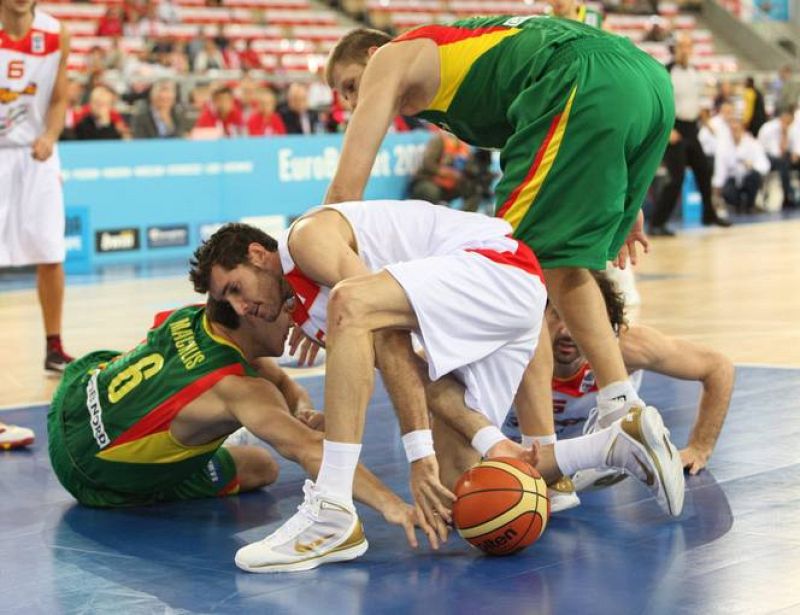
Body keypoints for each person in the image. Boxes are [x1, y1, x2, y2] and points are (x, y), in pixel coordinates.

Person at [190, 201, 685, 573]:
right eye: (226, 303)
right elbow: (413, 372)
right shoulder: (319, 310)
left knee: (353, 302)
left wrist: (417, 454)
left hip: (494, 265)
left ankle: (331, 507)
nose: (239, 306)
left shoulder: (305, 237)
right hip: (504, 306)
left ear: (258, 254)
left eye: (235, 287)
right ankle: (615, 444)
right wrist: (485, 440)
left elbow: (377, 320)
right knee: (467, 491)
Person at [322, 17, 674, 515]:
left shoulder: (392, 58)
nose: (352, 104)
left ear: (375, 52)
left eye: (350, 86)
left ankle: (580, 443)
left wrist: (306, 273)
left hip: (582, 79)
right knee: (556, 268)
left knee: (517, 274)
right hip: (646, 84)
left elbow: (343, 199)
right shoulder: (462, 70)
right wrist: (624, 197)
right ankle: (619, 405)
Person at [47, 298, 423, 551]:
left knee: (169, 370)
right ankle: (216, 426)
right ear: (251, 311)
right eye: (285, 307)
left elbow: (278, 380)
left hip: (75, 394)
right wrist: (394, 506)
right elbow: (310, 450)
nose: (295, 316)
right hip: (92, 476)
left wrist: (301, 409)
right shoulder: (243, 392)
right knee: (262, 466)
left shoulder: (197, 316)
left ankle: (211, 423)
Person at [504, 271, 734, 487]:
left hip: (583, 472)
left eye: (576, 320)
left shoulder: (627, 347)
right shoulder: (510, 352)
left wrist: (699, 448)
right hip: (507, 464)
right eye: (557, 315)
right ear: (539, 314)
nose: (566, 331)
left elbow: (718, 367)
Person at [0, 0, 73, 372]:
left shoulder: (56, 32)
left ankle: (54, 347)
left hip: (35, 153)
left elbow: (59, 98)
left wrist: (51, 133)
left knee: (50, 252)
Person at [650, 34, 731, 236]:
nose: (685, 50)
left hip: (692, 128)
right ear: (675, 49)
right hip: (675, 129)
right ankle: (657, 224)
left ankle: (709, 215)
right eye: (681, 47)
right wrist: (668, 130)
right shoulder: (666, 71)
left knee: (704, 170)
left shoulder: (695, 72)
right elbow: (659, 103)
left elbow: (698, 102)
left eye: (688, 46)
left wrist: (707, 123)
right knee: (676, 178)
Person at [408, 131, 484, 212]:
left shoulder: (464, 144)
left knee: (475, 189)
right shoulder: (439, 140)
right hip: (430, 180)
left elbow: (469, 167)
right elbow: (427, 163)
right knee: (430, 191)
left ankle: (464, 218)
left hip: (452, 184)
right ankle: (426, 216)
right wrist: (447, 173)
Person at [714, 117, 770, 214]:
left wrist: (752, 165)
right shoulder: (723, 146)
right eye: (732, 129)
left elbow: (765, 166)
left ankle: (750, 205)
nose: (734, 131)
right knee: (727, 190)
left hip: (748, 178)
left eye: (737, 128)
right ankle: (737, 205)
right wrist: (716, 192)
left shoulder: (753, 143)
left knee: (754, 177)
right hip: (732, 179)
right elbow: (720, 171)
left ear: (742, 128)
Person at [757, 106, 798, 209]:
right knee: (783, 163)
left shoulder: (792, 128)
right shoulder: (768, 128)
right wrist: (784, 135)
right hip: (766, 157)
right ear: (782, 118)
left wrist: (795, 153)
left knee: (786, 162)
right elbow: (776, 152)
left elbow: (796, 145)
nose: (788, 124)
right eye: (786, 121)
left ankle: (791, 195)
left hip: (784, 157)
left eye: (790, 122)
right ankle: (789, 196)